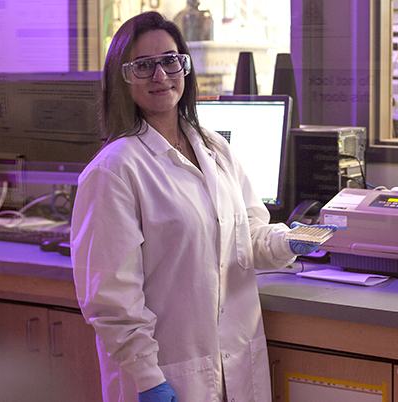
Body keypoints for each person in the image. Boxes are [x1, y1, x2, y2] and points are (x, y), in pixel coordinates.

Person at [70, 11, 334, 402]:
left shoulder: (214, 148)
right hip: (168, 376)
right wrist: (147, 377)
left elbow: (245, 235)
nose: (160, 75)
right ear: (122, 79)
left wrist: (285, 242)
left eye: (169, 60)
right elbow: (111, 298)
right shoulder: (114, 170)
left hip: (236, 370)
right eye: (143, 66)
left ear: (185, 67)